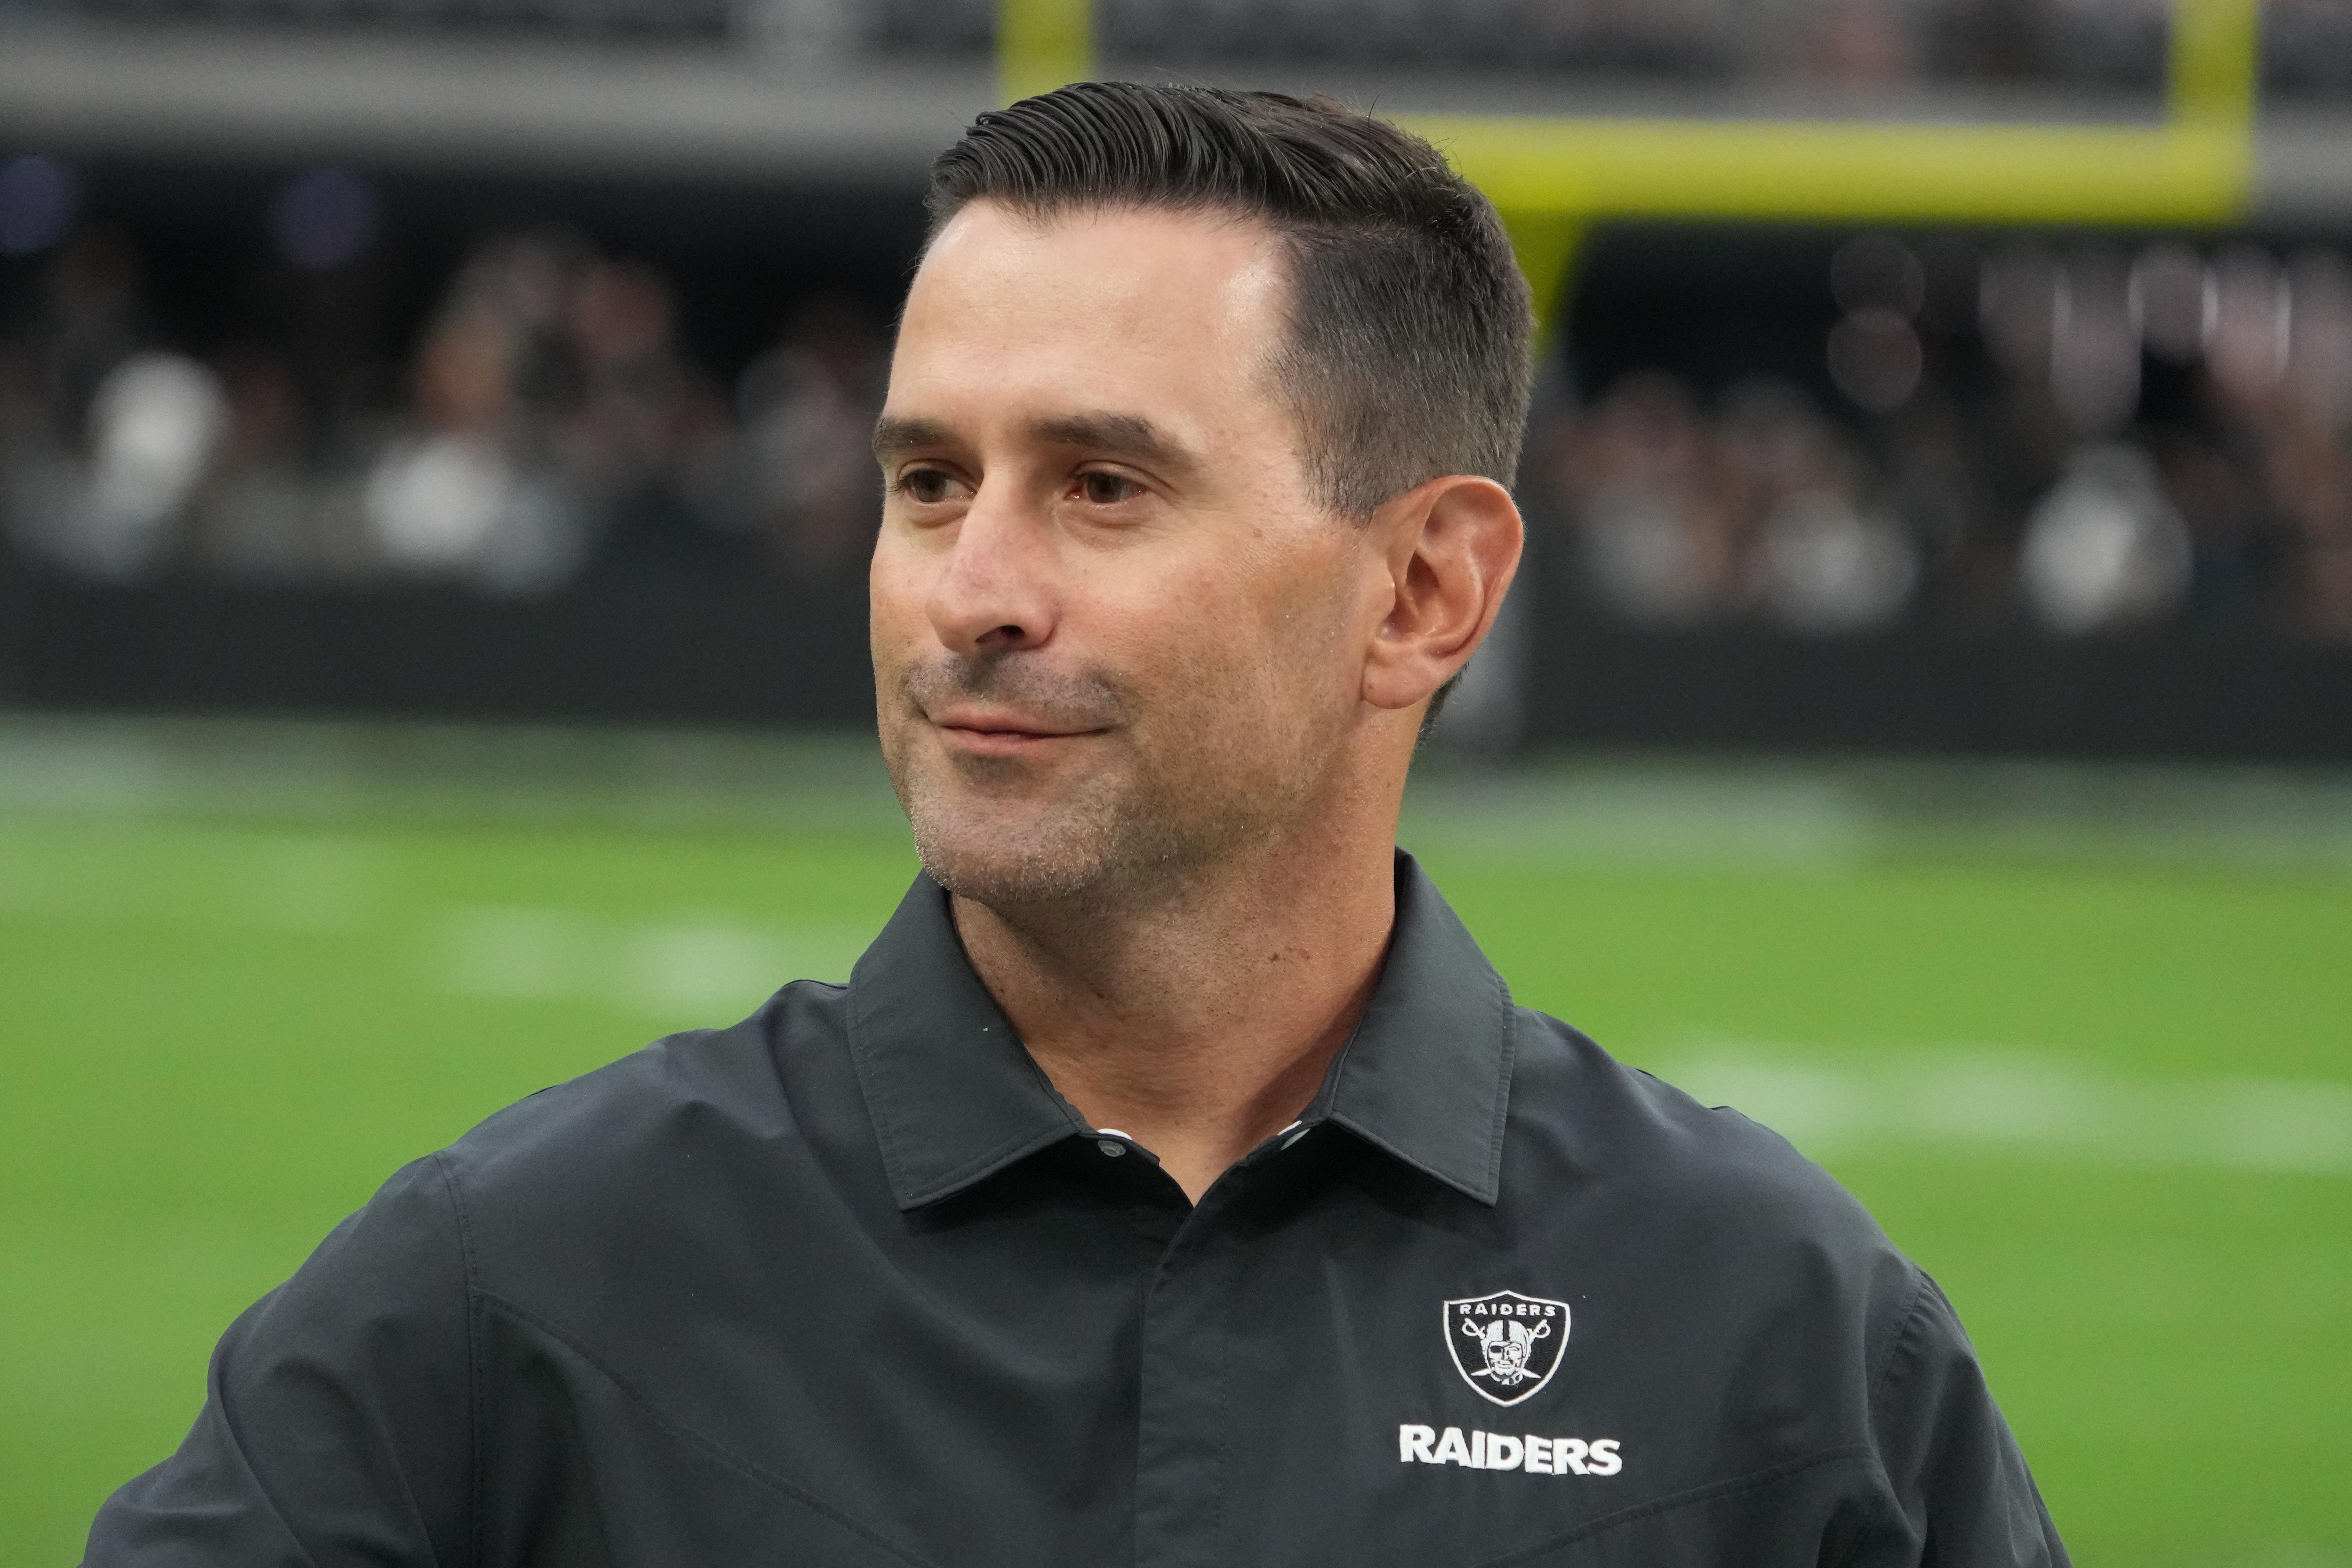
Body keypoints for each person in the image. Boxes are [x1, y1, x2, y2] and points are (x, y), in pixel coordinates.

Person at [83, 84, 2066, 1566]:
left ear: (1424, 595)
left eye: (1103, 486)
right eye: (931, 480)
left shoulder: (1778, 1340)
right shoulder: (524, 1279)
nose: (973, 588)